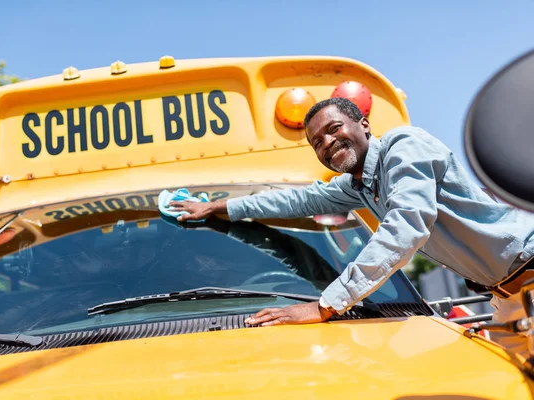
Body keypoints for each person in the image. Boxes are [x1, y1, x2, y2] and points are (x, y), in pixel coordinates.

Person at [169, 97, 534, 357]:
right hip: (506, 296)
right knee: (513, 382)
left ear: (363, 124)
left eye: (333, 129)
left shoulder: (405, 146)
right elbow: (296, 202)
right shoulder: (361, 186)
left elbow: (407, 225)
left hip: (529, 269)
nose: (327, 142)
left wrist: (326, 306)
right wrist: (220, 206)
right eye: (317, 142)